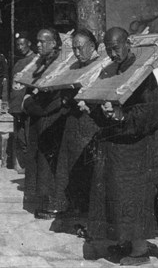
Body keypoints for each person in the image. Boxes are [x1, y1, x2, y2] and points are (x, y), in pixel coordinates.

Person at [87, 27, 158, 266]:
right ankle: (127, 241)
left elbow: (151, 112)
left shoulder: (143, 73)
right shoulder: (115, 70)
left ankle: (140, 251)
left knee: (135, 197)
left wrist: (122, 115)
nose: (113, 53)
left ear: (129, 43)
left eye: (116, 47)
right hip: (121, 146)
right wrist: (98, 107)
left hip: (141, 147)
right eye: (109, 50)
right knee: (117, 195)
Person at [47, 28, 101, 218]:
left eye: (80, 48)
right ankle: (68, 205)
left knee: (85, 166)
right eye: (75, 49)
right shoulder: (76, 65)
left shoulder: (101, 64)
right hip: (73, 120)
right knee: (67, 164)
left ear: (92, 46)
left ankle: (84, 209)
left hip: (90, 121)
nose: (77, 53)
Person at [22, 27, 69, 217]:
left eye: (43, 41)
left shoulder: (61, 64)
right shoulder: (41, 62)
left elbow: (55, 98)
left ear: (54, 43)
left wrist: (30, 103)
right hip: (39, 119)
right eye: (38, 41)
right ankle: (44, 199)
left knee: (51, 163)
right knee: (39, 160)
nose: (38, 45)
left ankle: (55, 204)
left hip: (52, 120)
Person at [9, 31, 37, 173]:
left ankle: (30, 169)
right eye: (18, 45)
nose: (20, 47)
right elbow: (14, 86)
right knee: (21, 139)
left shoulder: (36, 61)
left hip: (27, 106)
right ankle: (25, 167)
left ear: (29, 44)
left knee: (28, 138)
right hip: (17, 107)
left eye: (22, 44)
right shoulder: (19, 63)